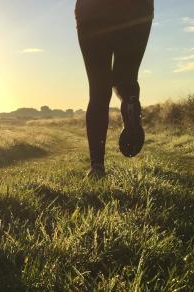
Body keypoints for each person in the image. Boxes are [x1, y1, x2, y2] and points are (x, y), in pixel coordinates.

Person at [75, 0, 154, 178]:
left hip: (93, 11)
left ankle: (97, 167)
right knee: (126, 79)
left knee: (99, 90)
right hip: (137, 10)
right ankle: (130, 102)